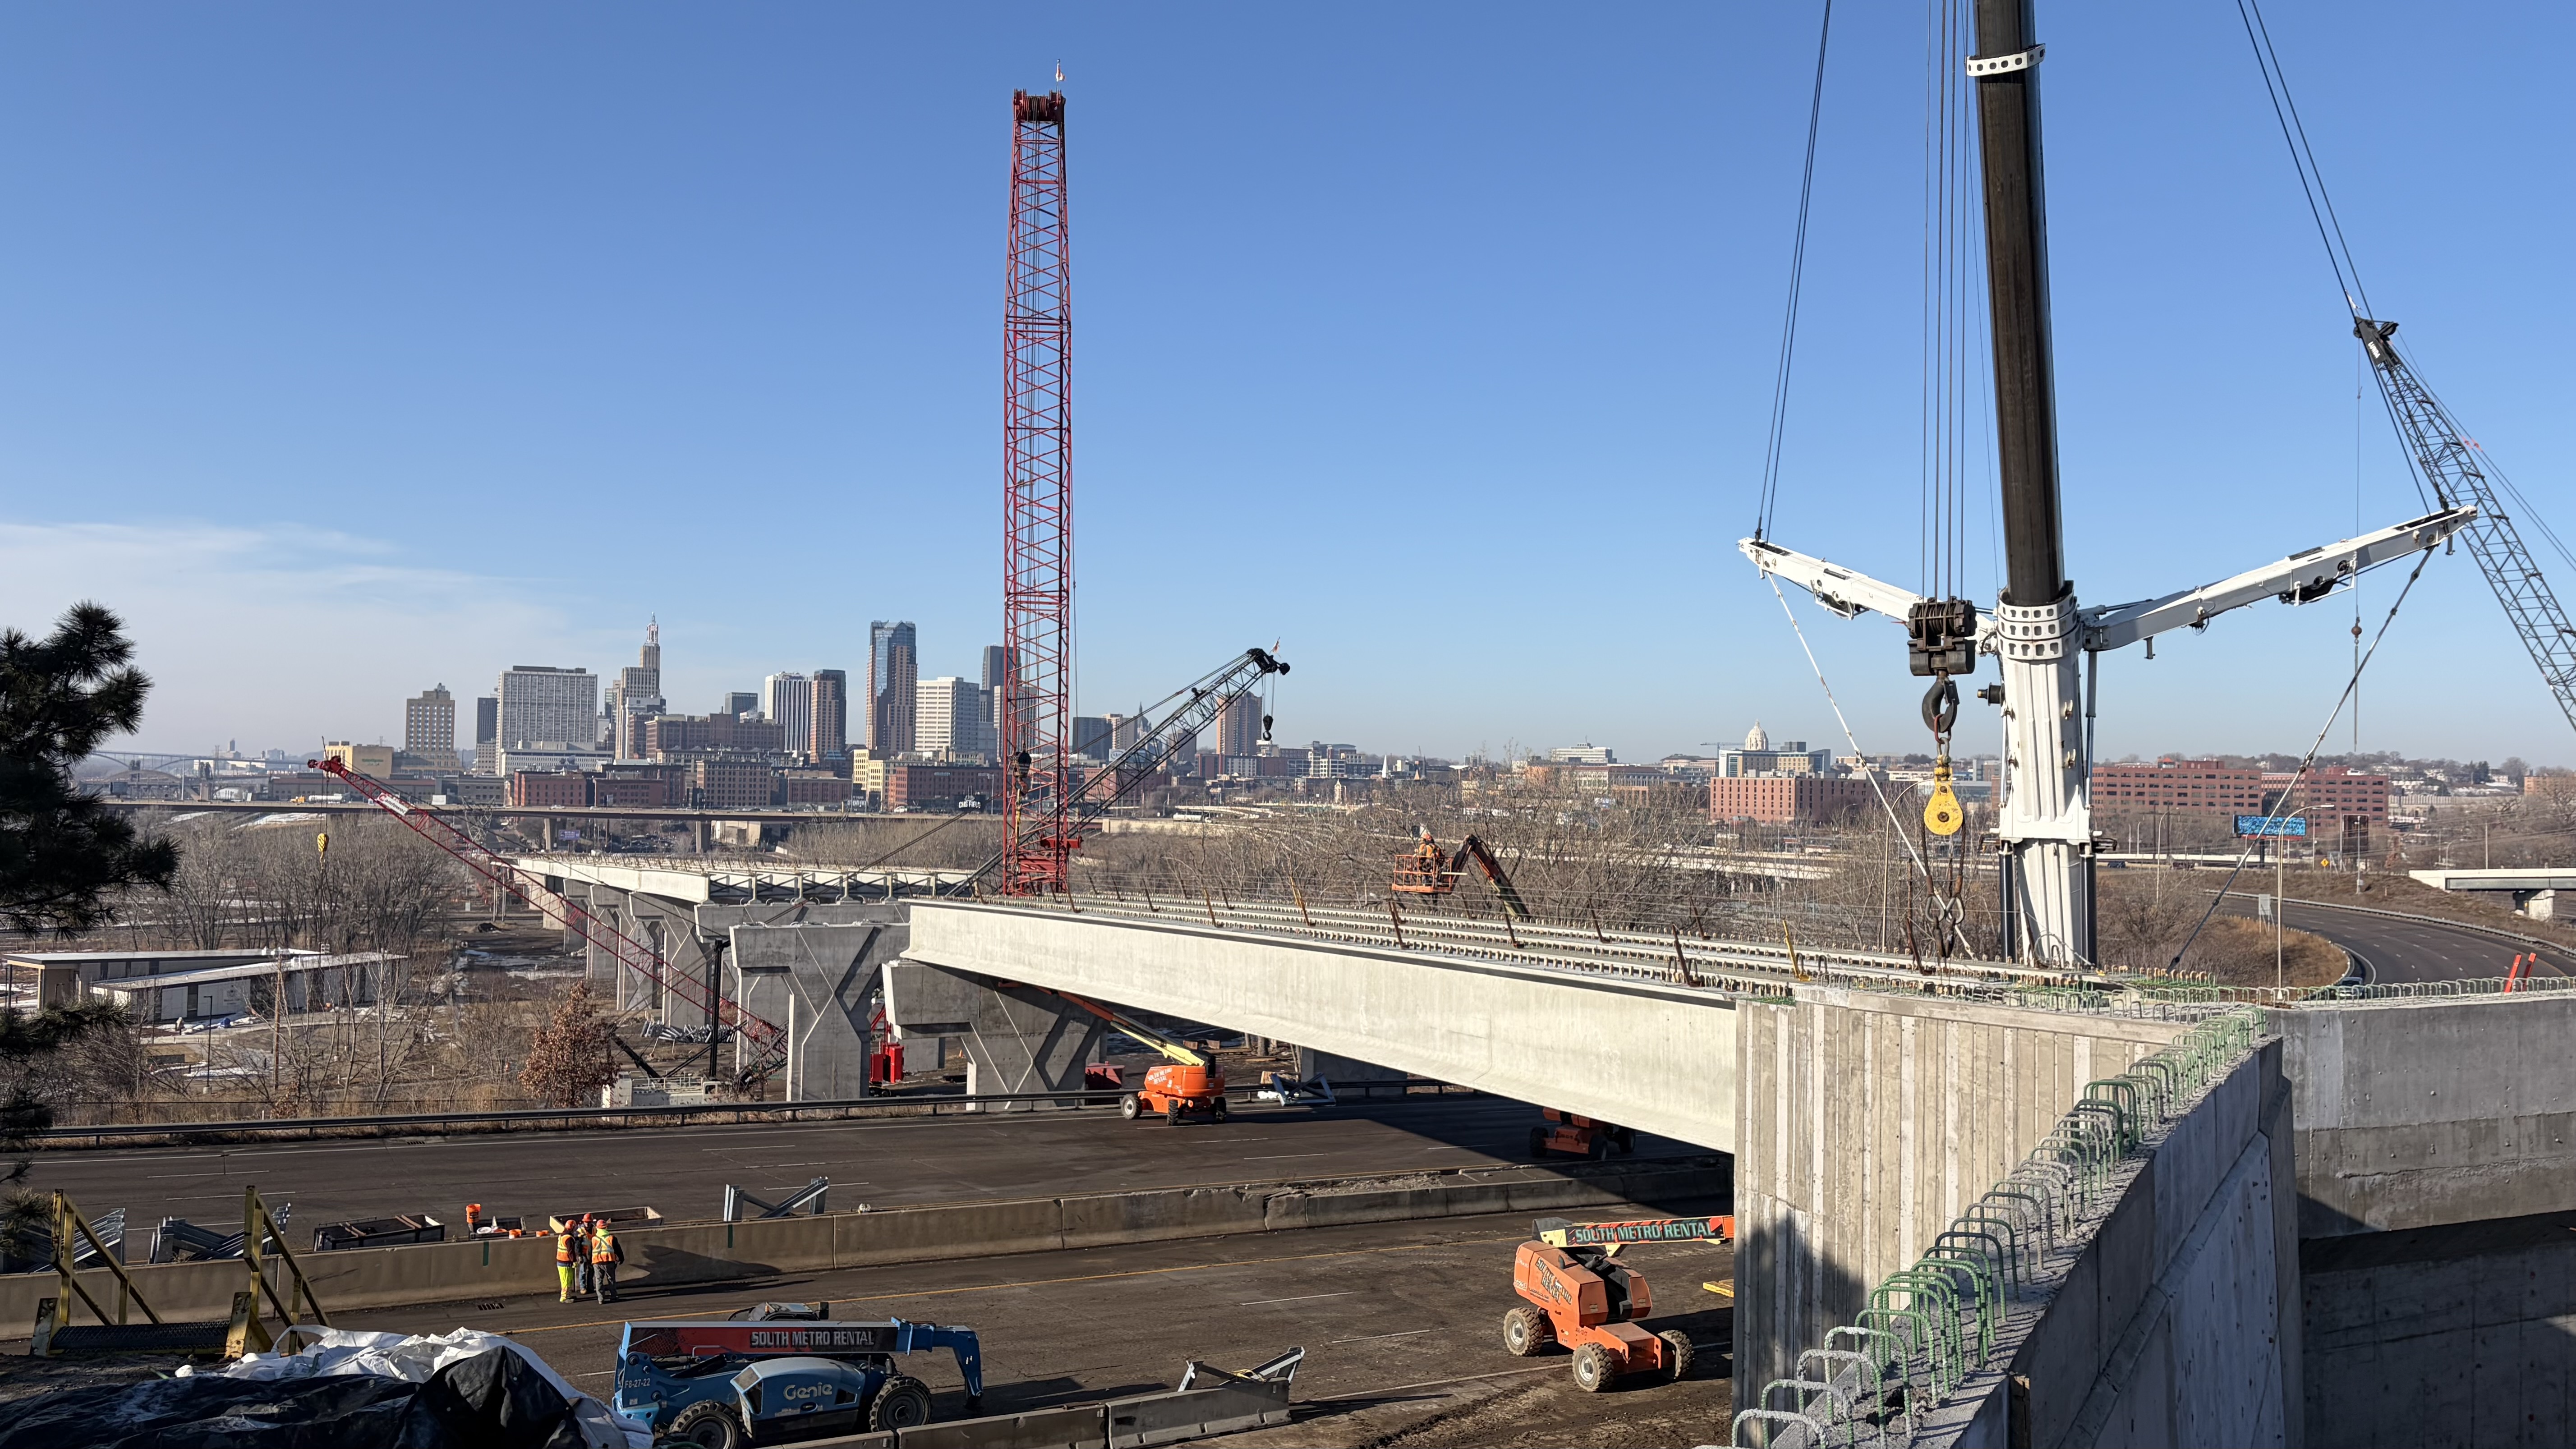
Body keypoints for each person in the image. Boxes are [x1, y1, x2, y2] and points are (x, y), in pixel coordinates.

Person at [591, 1220, 623, 1305]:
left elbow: (589, 1252)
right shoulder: (612, 1238)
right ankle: (613, 1297)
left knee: (599, 1281)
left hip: (597, 1263)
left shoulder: (594, 1239)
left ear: (597, 1229)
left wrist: (590, 1261)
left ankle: (601, 1299)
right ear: (606, 1228)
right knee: (611, 1280)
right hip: (609, 1262)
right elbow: (618, 1250)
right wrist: (621, 1259)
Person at [553, 1220, 579, 1303]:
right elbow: (570, 1251)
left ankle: (568, 1295)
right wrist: (574, 1261)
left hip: (562, 1261)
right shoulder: (569, 1239)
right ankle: (564, 1298)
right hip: (565, 1262)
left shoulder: (562, 1235)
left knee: (568, 1280)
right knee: (566, 1281)